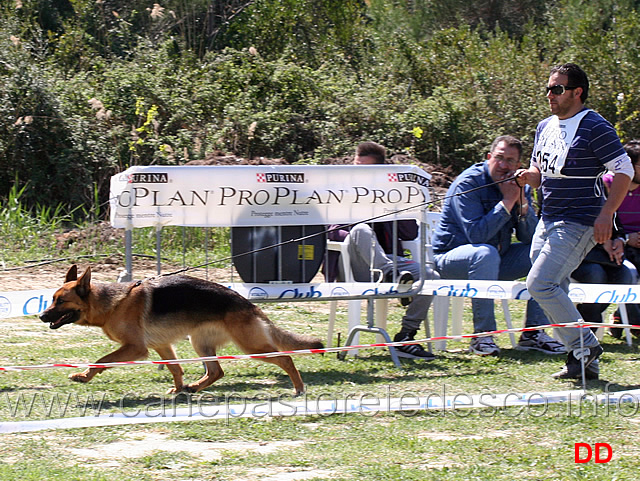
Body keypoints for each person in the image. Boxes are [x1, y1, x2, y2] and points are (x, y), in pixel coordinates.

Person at [516, 63, 633, 380]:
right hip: (548, 218)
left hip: (580, 219)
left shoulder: (596, 127)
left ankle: (586, 344)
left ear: (577, 92)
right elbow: (541, 175)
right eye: (548, 89)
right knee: (556, 286)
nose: (549, 95)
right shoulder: (544, 127)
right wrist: (529, 177)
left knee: (540, 283)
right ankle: (580, 362)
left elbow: (625, 172)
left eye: (557, 89)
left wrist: (607, 214)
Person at [431, 135, 565, 356]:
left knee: (545, 252)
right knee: (485, 253)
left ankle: (534, 333)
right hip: (450, 260)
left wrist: (522, 204)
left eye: (510, 161)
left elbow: (530, 238)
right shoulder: (469, 183)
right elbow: (477, 236)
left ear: (519, 165)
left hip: (496, 260)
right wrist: (507, 202)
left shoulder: (517, 184)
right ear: (489, 157)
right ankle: (481, 336)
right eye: (499, 158)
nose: (504, 165)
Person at [326, 141, 438, 360]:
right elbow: (331, 232)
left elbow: (409, 233)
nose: (358, 174)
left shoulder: (391, 194)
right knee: (361, 230)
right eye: (356, 167)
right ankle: (391, 275)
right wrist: (357, 223)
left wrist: (398, 202)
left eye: (364, 170)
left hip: (389, 260)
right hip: (353, 264)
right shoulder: (343, 192)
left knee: (430, 276)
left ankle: (405, 337)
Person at [605, 140, 640, 338]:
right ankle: (635, 324)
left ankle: (620, 318)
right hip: (614, 247)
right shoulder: (607, 184)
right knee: (631, 271)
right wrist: (627, 238)